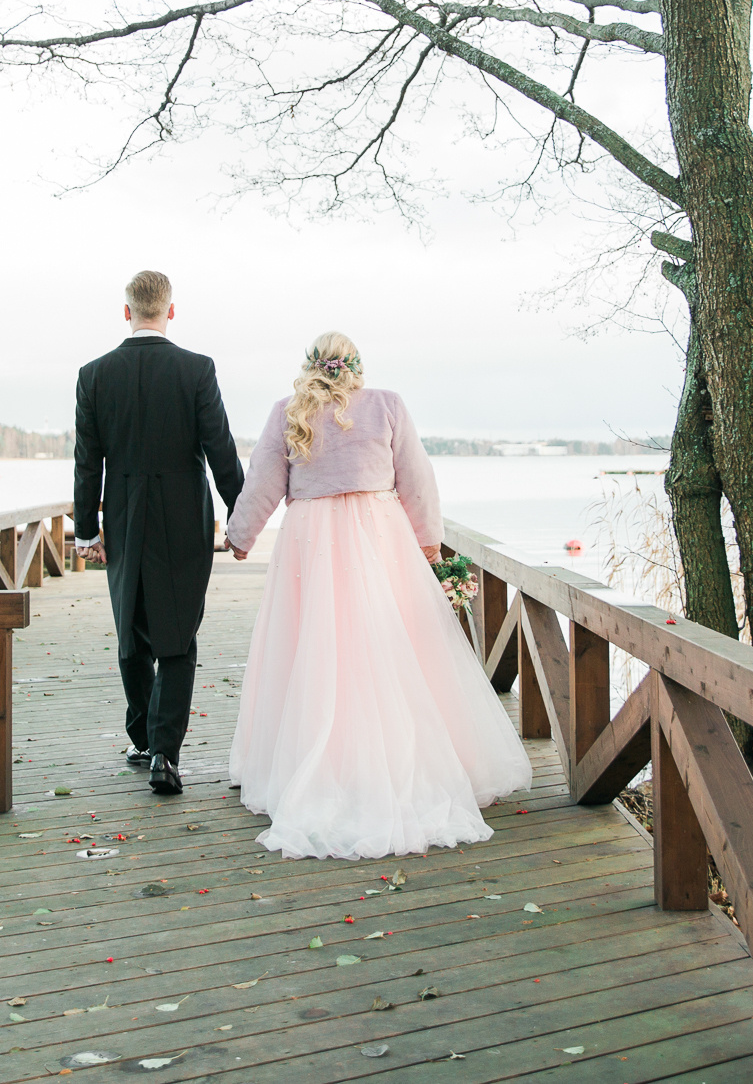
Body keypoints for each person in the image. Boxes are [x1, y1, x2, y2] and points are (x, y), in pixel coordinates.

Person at [223, 332, 532, 858]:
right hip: (378, 535)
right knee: (388, 647)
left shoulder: (287, 411)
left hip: (311, 542)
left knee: (317, 649)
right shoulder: (388, 405)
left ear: (311, 367)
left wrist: (240, 536)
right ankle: (394, 760)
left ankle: (325, 762)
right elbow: (418, 479)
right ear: (355, 367)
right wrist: (428, 543)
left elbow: (263, 483)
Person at [72, 271, 244, 796]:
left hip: (124, 514)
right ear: (171, 311)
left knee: (132, 630)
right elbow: (221, 449)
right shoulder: (196, 369)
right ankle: (164, 753)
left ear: (126, 312)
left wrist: (85, 531)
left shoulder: (94, 374)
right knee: (177, 636)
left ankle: (143, 738)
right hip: (184, 515)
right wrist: (242, 518)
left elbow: (87, 462)